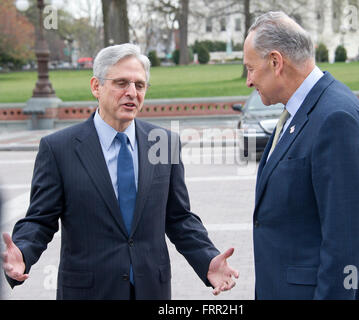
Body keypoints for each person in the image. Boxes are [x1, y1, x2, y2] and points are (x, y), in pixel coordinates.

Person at [2, 43, 239, 300]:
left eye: (139, 85)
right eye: (121, 83)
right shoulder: (58, 149)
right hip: (88, 292)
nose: (132, 92)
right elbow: (40, 219)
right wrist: (23, 252)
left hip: (152, 290)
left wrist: (207, 260)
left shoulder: (164, 143)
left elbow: (179, 217)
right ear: (96, 86)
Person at [244, 11, 359, 300]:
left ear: (276, 62)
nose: (249, 80)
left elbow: (344, 242)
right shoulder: (303, 111)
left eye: (251, 68)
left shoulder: (336, 118)